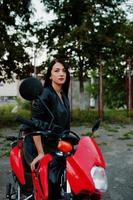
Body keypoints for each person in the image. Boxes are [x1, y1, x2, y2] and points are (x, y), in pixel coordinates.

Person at [23, 59, 70, 199]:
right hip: (39, 144)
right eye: (56, 71)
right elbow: (35, 123)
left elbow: (63, 124)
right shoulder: (45, 94)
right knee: (48, 183)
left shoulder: (63, 95)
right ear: (50, 76)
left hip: (54, 142)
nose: (61, 73)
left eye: (63, 70)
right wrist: (40, 152)